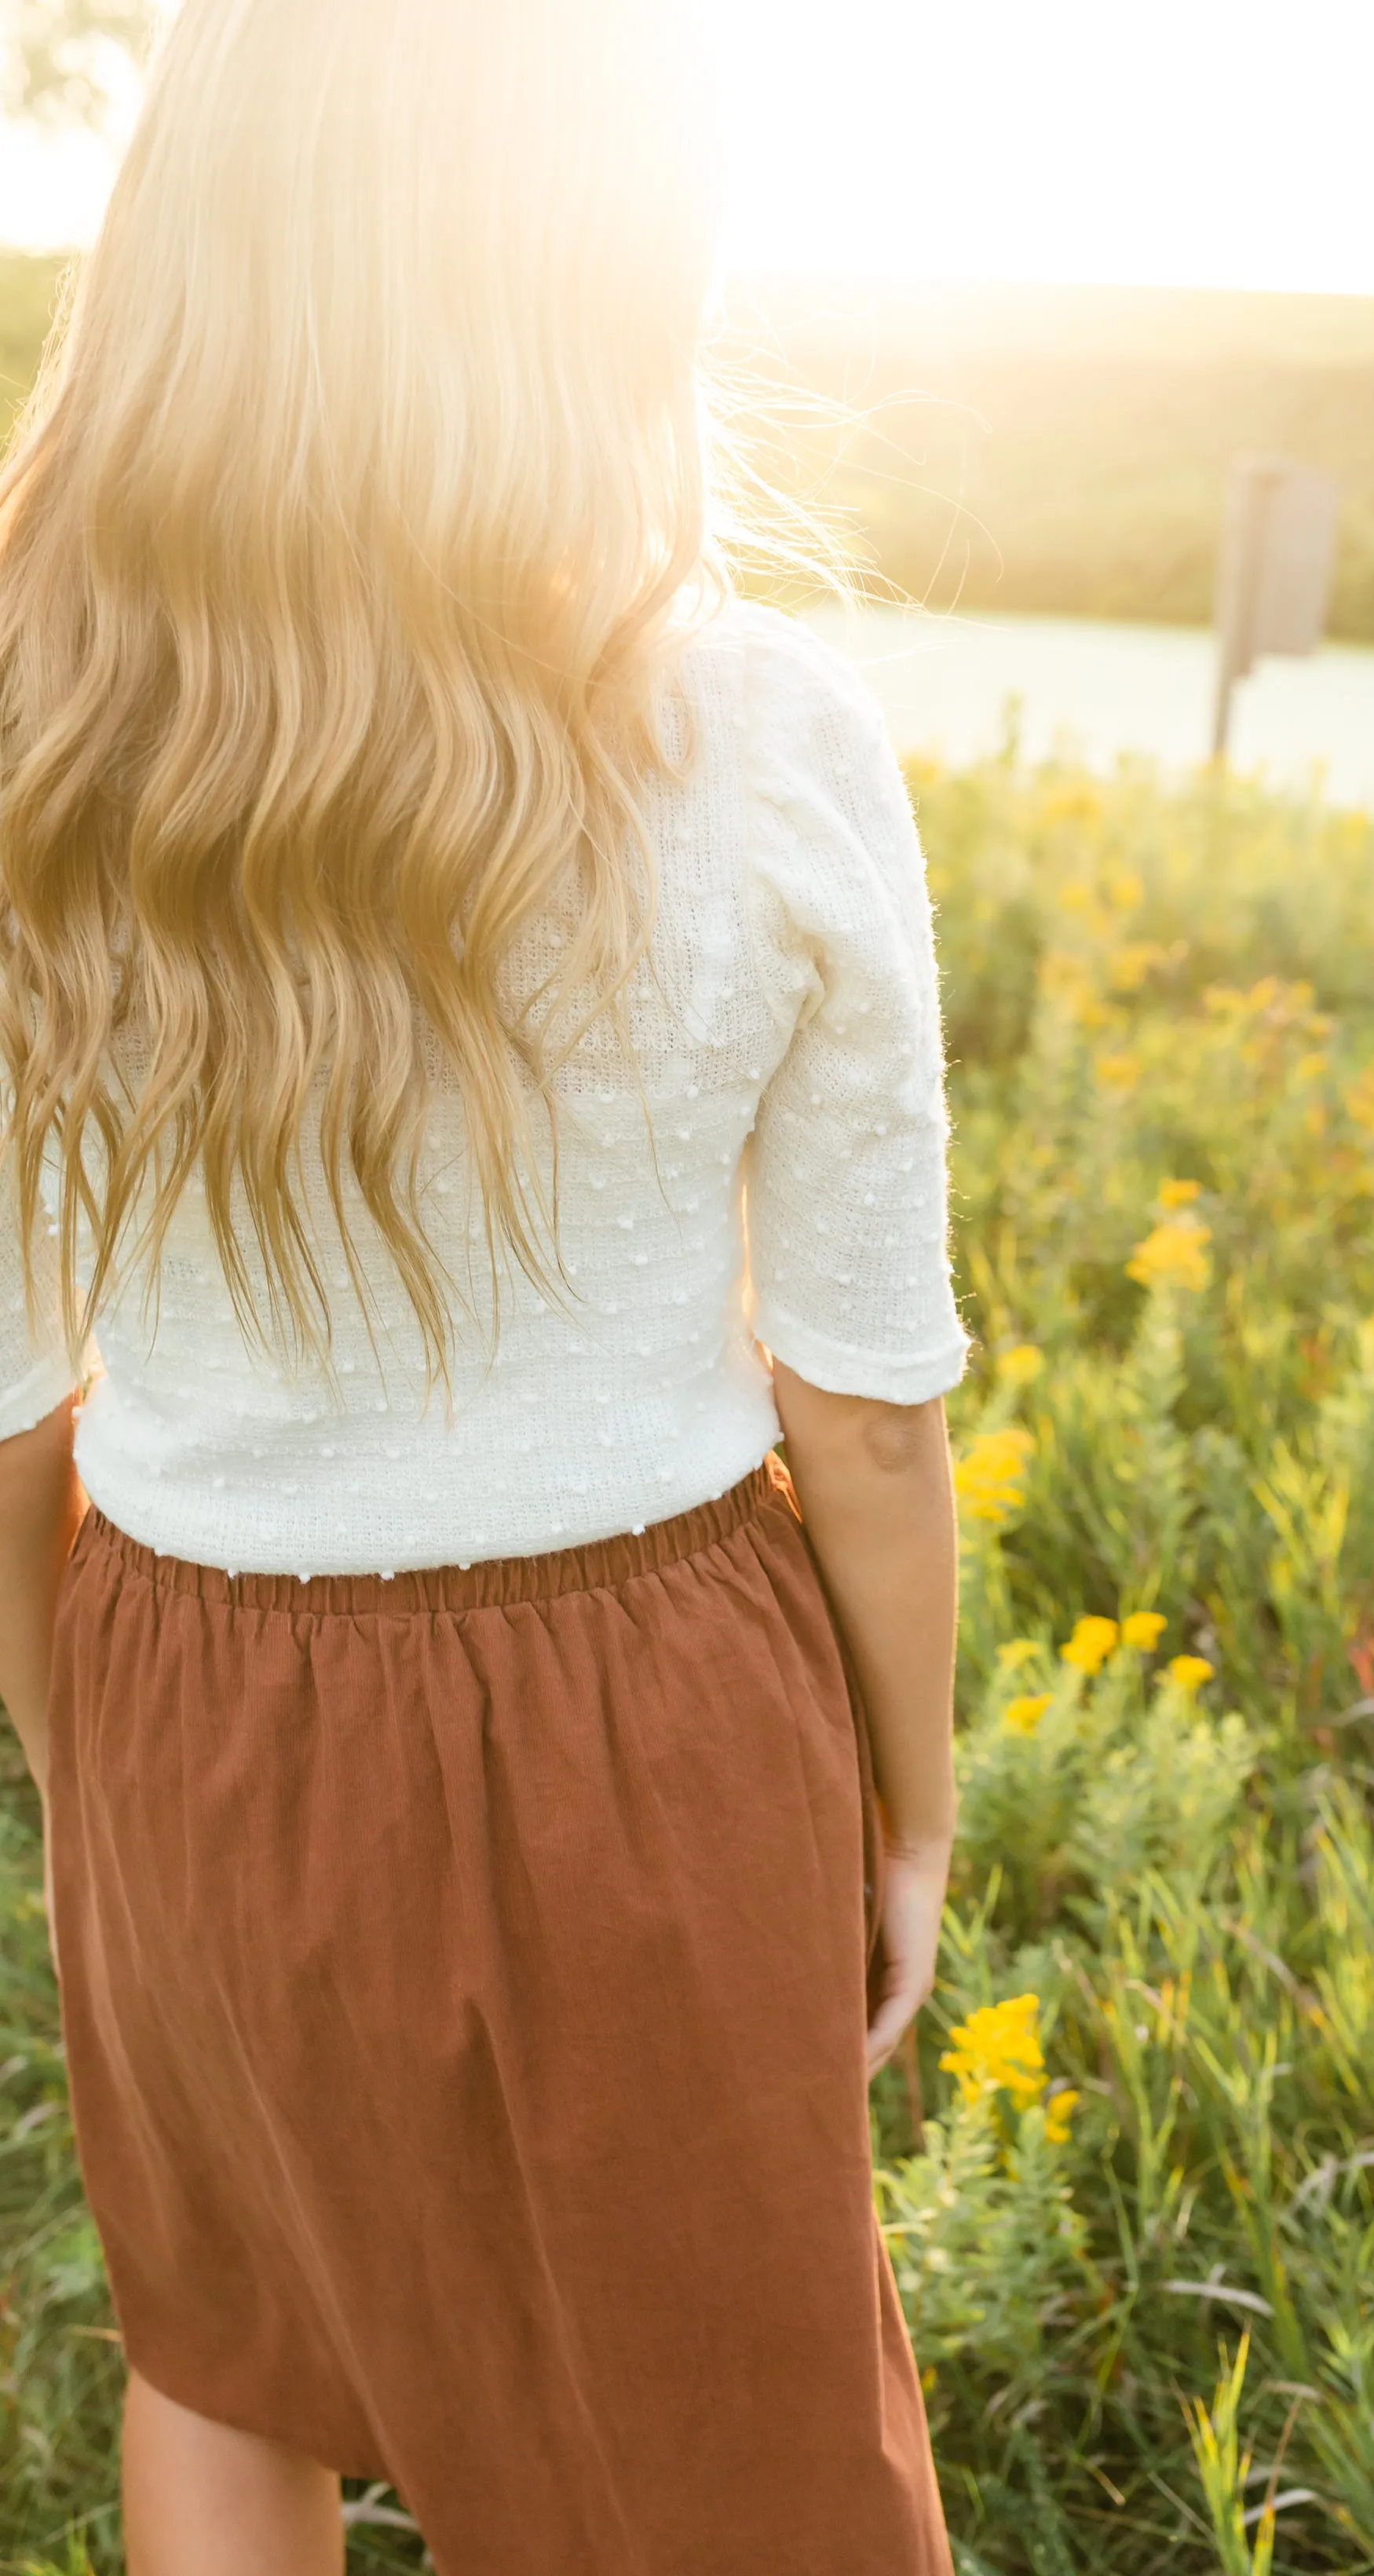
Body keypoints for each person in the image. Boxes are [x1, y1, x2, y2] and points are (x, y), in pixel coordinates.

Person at [0, 1, 967, 2567]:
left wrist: (83, 1770)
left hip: (177, 1692)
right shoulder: (763, 741)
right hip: (632, 1729)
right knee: (736, 2462)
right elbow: (864, 1406)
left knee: (225, 2354)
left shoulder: (32, 725)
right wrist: (912, 1815)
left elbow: (1, 1410)